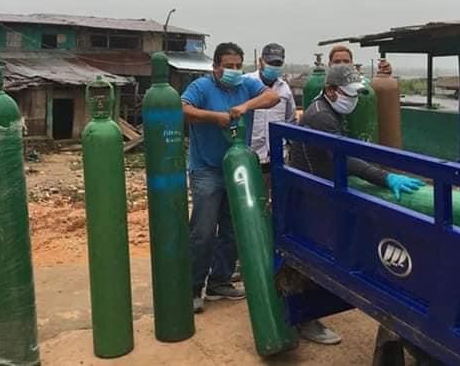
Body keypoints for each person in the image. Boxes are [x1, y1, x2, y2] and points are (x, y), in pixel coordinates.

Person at [287, 64, 425, 343]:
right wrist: (386, 178)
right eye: (349, 94)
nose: (353, 100)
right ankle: (305, 318)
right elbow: (345, 159)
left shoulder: (328, 110)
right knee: (314, 255)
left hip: (319, 183)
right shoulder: (322, 117)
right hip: (311, 190)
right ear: (330, 91)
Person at [182, 42, 281, 314]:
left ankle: (220, 281)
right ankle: (192, 288)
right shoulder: (202, 87)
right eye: (228, 66)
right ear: (216, 67)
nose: (234, 71)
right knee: (203, 231)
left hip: (237, 169)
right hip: (207, 170)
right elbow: (183, 109)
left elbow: (272, 97)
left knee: (232, 228)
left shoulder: (245, 87)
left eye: (238, 66)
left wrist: (246, 106)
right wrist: (214, 117)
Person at [245, 43, 296, 186]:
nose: (274, 66)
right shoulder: (247, 83)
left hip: (278, 156)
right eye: (270, 63)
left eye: (277, 63)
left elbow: (290, 119)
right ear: (260, 61)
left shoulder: (284, 88)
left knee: (278, 200)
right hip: (252, 154)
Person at [328, 44, 393, 76]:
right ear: (330, 65)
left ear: (352, 64)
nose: (342, 65)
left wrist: (386, 75)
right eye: (337, 62)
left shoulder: (361, 87)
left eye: (346, 61)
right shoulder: (322, 89)